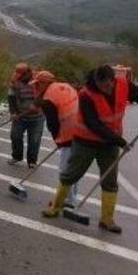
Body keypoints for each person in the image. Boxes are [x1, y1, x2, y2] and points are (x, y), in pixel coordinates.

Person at [42, 65, 138, 233]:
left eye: (110, 84)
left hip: (110, 143)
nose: (108, 88)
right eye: (104, 86)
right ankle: (55, 206)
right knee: (71, 174)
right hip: (86, 141)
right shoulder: (86, 95)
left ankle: (107, 219)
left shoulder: (122, 84)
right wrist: (120, 142)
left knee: (110, 181)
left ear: (113, 79)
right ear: (96, 82)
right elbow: (94, 125)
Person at [30, 70, 80, 208]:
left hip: (69, 133)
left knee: (65, 169)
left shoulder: (48, 100)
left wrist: (58, 140)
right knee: (74, 167)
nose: (37, 87)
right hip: (83, 130)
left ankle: (68, 201)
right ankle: (72, 197)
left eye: (38, 84)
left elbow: (53, 125)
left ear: (45, 83)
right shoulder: (65, 86)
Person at [7, 63, 45, 168]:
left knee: (34, 140)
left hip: (37, 117)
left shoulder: (38, 80)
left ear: (28, 72)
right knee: (15, 136)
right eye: (17, 73)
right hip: (20, 116)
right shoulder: (14, 81)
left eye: (21, 74)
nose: (18, 75)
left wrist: (37, 105)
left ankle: (32, 161)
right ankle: (17, 156)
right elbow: (11, 98)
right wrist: (13, 112)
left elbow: (46, 94)